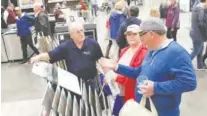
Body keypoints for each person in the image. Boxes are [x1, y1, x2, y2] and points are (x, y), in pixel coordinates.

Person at [99, 17, 197, 116]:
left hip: (163, 112)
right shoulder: (152, 50)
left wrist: (155, 88)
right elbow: (139, 72)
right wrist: (116, 67)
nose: (140, 38)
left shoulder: (177, 52)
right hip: (145, 109)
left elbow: (189, 82)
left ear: (151, 34)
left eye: (141, 34)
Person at [30, 22, 103, 89]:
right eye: (78, 32)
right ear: (71, 35)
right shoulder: (66, 47)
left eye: (82, 30)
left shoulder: (93, 44)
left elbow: (101, 61)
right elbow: (50, 55)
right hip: (75, 84)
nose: (81, 34)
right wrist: (38, 57)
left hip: (92, 83)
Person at [105, 24, 147, 116]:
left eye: (134, 34)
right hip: (120, 92)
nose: (131, 36)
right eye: (128, 34)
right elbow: (118, 68)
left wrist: (115, 77)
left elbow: (136, 74)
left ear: (140, 35)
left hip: (132, 95)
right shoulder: (124, 50)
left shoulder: (144, 53)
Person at [190, 0, 207, 69]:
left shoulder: (196, 8)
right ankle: (181, 65)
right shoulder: (201, 10)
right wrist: (205, 35)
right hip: (199, 34)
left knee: (200, 50)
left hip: (195, 33)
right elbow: (202, 24)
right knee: (196, 51)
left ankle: (200, 66)